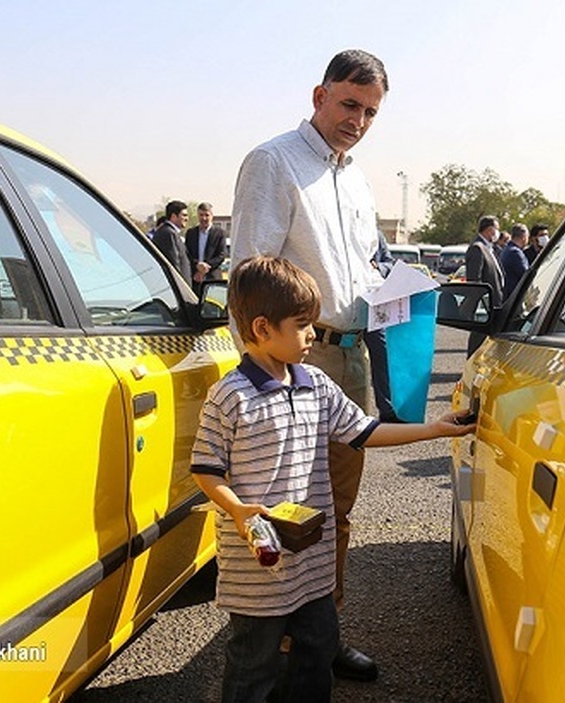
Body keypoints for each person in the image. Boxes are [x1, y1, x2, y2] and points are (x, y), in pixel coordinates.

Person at [190, 256, 473, 703]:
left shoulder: (316, 384)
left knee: (317, 651)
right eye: (303, 325)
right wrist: (238, 509)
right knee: (252, 666)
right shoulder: (230, 395)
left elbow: (363, 431)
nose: (311, 336)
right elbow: (206, 468)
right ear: (263, 329)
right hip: (257, 572)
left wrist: (435, 429)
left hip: (313, 564)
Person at [230, 48, 389, 682]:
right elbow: (250, 274)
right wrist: (269, 373)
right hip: (299, 356)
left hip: (351, 356)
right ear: (318, 94)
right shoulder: (274, 162)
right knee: (287, 507)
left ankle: (322, 635)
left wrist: (395, 286)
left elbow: (362, 269)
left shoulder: (356, 179)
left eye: (371, 111)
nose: (358, 119)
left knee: (335, 513)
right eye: (349, 103)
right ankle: (278, 647)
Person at [365, 228, 398, 422]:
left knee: (382, 355)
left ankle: (386, 410)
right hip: (343, 308)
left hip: (374, 306)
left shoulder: (376, 235)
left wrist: (377, 267)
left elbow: (390, 264)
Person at [464, 215, 505, 357]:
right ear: (489, 230)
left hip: (494, 305)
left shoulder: (491, 249)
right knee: (478, 342)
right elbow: (475, 281)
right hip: (484, 308)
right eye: (496, 229)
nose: (498, 233)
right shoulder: (477, 248)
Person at [185, 201, 228, 294]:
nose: (204, 218)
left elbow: (222, 255)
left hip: (213, 279)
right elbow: (187, 253)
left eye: (207, 215)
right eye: (201, 215)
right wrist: (197, 266)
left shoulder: (219, 233)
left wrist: (206, 267)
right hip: (195, 278)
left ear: (212, 216)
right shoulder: (191, 233)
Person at [152, 199, 191, 281]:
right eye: (184, 215)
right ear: (173, 216)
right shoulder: (169, 234)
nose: (187, 218)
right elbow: (174, 264)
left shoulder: (170, 232)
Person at [499, 223, 530, 302]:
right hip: (513, 298)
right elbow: (526, 275)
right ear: (523, 237)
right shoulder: (515, 253)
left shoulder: (506, 250)